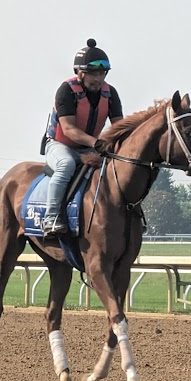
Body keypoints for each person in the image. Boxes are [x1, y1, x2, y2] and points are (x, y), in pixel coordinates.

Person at [42, 38, 123, 236]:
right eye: (92, 74)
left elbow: (119, 125)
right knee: (67, 165)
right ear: (79, 73)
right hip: (60, 145)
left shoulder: (110, 92)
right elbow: (69, 130)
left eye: (102, 73)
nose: (98, 79)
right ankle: (50, 219)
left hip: (89, 147)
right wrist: (96, 143)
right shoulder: (66, 91)